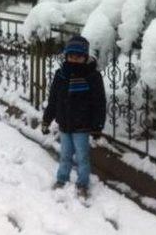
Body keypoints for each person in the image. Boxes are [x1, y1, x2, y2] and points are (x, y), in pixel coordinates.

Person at [41, 35, 106, 198]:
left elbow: (99, 103)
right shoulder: (61, 75)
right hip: (65, 124)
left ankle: (83, 184)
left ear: (85, 57)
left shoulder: (92, 77)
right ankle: (62, 178)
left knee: (82, 157)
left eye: (78, 57)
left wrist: (97, 126)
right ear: (66, 56)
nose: (74, 59)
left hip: (82, 126)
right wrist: (46, 120)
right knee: (65, 155)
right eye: (71, 56)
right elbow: (53, 99)